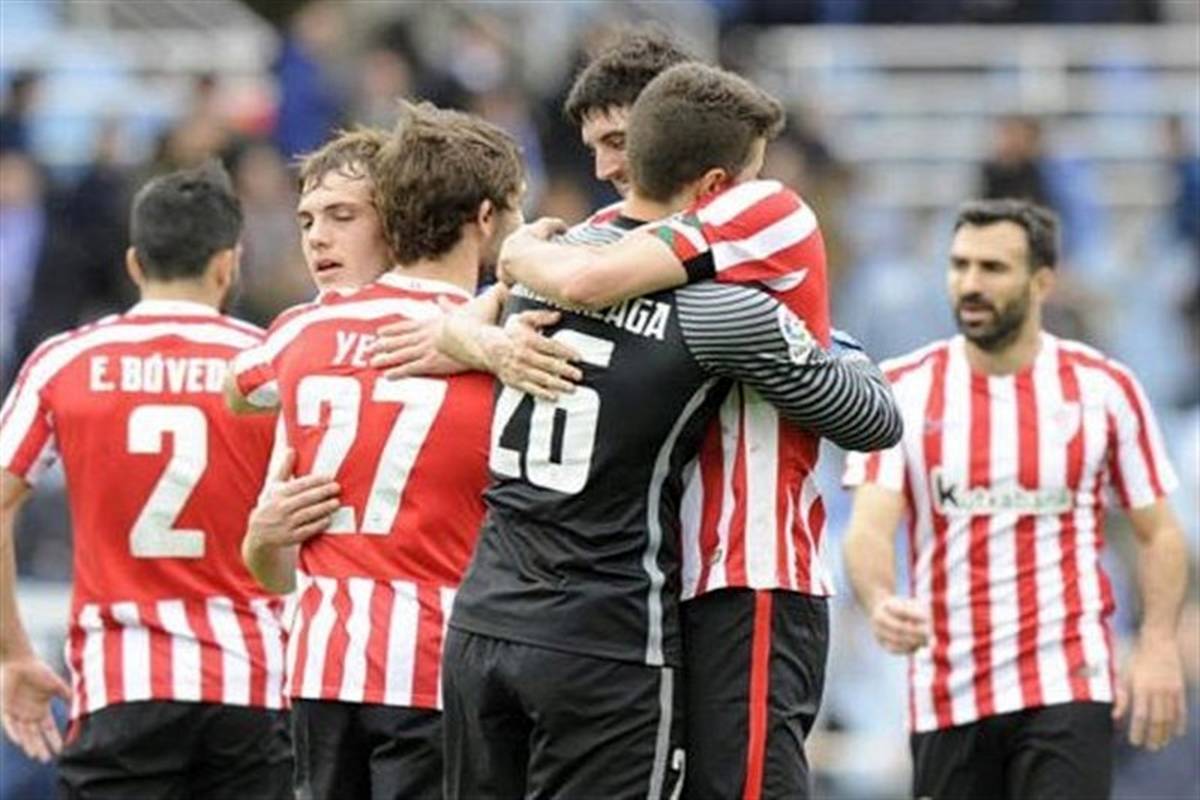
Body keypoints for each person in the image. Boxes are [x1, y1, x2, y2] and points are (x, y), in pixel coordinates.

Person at [430, 65, 902, 800]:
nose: (605, 168)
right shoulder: (689, 289)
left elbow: (516, 300)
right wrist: (832, 344)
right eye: (593, 146)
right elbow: (874, 418)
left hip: (703, 574)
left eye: (617, 142)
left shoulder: (579, 253)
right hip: (644, 593)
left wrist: (507, 268)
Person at [842, 199, 1188, 800]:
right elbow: (869, 526)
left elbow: (1159, 531)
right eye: (960, 265)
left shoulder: (1104, 389)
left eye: (993, 268)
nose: (970, 284)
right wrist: (880, 600)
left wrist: (1157, 644)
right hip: (949, 687)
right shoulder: (904, 389)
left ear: (1042, 282)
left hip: (1068, 678)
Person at [228, 101, 525, 800]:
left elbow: (237, 388)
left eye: (342, 215)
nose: (318, 238)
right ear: (486, 218)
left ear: (394, 220)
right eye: (308, 220)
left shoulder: (299, 333)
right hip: (436, 664)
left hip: (321, 668)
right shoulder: (505, 344)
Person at [0, 163, 291, 798]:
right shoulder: (271, 364)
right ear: (227, 265)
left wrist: (12, 652)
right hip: (250, 683)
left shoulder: (64, 360)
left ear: (134, 263)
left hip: (120, 683)